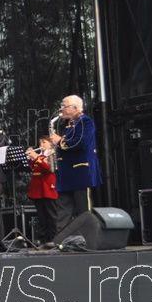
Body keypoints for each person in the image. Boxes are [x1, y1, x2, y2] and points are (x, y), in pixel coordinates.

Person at [49, 95, 102, 232]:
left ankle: (88, 238)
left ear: (75, 108)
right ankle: (61, 239)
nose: (61, 109)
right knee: (63, 212)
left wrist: (60, 141)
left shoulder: (85, 122)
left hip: (80, 173)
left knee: (83, 210)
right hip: (66, 175)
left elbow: (80, 142)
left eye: (64, 106)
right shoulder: (70, 125)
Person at [26, 136, 59, 246]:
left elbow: (48, 168)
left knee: (51, 214)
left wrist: (35, 157)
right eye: (40, 143)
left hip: (48, 187)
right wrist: (31, 158)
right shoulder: (40, 155)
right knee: (41, 215)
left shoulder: (52, 154)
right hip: (38, 188)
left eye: (44, 142)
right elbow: (34, 168)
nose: (41, 145)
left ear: (50, 144)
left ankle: (53, 238)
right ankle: (43, 238)